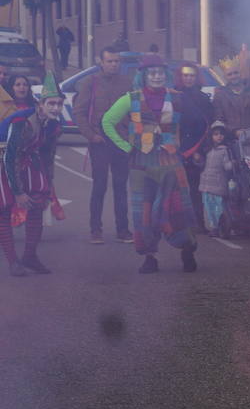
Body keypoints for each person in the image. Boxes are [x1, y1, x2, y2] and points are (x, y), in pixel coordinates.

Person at [100, 54, 199, 274]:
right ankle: (149, 257)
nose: (157, 76)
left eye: (160, 73)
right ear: (143, 75)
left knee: (179, 210)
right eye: (152, 73)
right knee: (143, 214)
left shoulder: (178, 98)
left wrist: (186, 149)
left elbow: (200, 123)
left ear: (166, 75)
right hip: (141, 166)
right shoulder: (130, 98)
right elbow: (107, 122)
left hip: (171, 163)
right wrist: (126, 147)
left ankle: (187, 250)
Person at [73, 47, 134, 244]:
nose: (114, 64)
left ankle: (123, 230)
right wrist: (91, 136)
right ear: (101, 62)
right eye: (110, 61)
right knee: (99, 186)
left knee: (121, 186)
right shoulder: (90, 82)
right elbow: (79, 113)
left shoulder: (127, 82)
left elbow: (135, 111)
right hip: (99, 141)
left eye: (116, 61)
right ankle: (95, 230)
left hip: (121, 141)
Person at [0, 92, 63, 276]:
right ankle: (13, 262)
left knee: (38, 203)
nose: (56, 108)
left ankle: (29, 256)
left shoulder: (53, 124)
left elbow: (48, 155)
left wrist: (48, 181)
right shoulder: (21, 121)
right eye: (51, 103)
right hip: (3, 161)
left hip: (27, 158)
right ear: (40, 104)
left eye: (59, 104)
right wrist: (18, 192)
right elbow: (10, 157)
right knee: (4, 208)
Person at [173, 65, 215, 233]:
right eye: (185, 75)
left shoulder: (203, 98)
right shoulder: (173, 96)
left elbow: (208, 125)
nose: (188, 78)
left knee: (195, 189)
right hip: (176, 148)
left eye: (191, 75)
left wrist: (201, 151)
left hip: (196, 149)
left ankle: (198, 222)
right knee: (176, 189)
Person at [199, 122, 235, 236]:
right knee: (209, 207)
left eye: (221, 134)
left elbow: (226, 166)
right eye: (216, 134)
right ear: (211, 136)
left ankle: (221, 226)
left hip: (219, 183)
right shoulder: (208, 150)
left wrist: (233, 164)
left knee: (219, 207)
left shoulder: (225, 150)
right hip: (206, 183)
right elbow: (202, 164)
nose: (219, 136)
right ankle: (214, 227)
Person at [212, 63, 250, 135]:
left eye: (236, 73)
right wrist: (234, 132)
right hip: (229, 139)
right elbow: (218, 120)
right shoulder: (220, 96)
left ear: (241, 74)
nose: (233, 76)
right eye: (229, 74)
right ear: (225, 77)